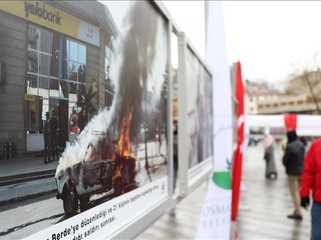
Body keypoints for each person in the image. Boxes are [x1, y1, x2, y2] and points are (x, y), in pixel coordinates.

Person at [300, 138, 321, 239]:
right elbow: (308, 171)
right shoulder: (316, 145)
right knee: (317, 236)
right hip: (319, 203)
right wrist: (304, 194)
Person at [282, 130, 305, 220]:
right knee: (298, 191)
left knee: (294, 192)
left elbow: (285, 161)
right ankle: (297, 209)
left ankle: (298, 211)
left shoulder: (289, 147)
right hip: (301, 171)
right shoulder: (301, 145)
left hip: (292, 173)